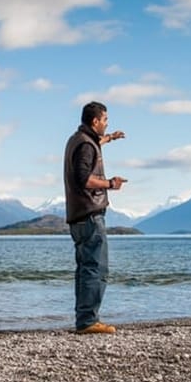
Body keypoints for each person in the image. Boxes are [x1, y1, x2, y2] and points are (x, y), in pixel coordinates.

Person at [63, 101, 127, 334]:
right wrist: (111, 184)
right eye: (105, 121)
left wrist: (110, 138)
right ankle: (88, 321)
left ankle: (84, 318)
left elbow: (93, 145)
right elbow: (84, 179)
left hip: (78, 214)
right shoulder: (86, 146)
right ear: (95, 121)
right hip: (90, 214)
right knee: (96, 268)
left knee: (85, 268)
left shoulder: (77, 140)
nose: (106, 123)